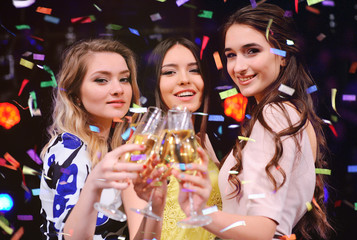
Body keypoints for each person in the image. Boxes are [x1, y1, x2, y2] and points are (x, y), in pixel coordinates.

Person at [174, 3, 334, 240]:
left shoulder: (275, 115)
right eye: (231, 55)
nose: (239, 67)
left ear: (283, 56)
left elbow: (261, 230)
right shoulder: (291, 114)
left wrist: (197, 211)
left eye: (252, 51)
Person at [39, 38, 147, 240]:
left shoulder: (118, 145)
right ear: (75, 94)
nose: (118, 89)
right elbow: (68, 237)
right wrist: (95, 184)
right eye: (101, 80)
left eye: (124, 79)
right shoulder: (69, 149)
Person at [133, 37, 222, 240]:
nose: (184, 79)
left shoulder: (204, 139)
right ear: (155, 83)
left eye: (194, 70)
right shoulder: (144, 145)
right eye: (169, 72)